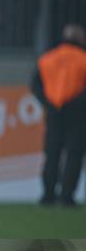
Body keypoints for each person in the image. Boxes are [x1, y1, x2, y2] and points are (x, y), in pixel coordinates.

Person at [31, 24, 86, 207]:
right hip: (77, 114)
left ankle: (47, 195)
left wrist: (48, 102)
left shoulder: (47, 59)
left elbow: (35, 85)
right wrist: (76, 103)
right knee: (74, 154)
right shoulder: (83, 59)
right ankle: (67, 196)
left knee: (52, 154)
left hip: (53, 112)